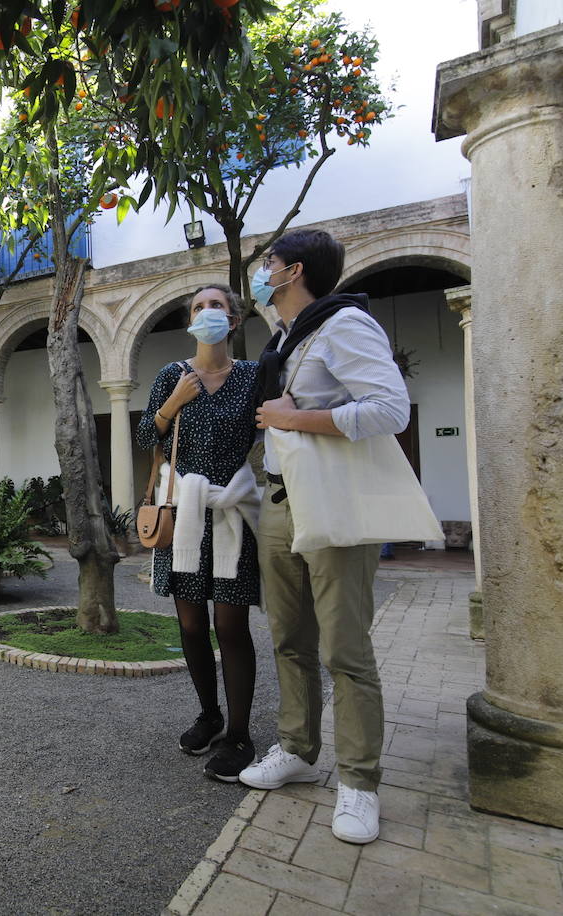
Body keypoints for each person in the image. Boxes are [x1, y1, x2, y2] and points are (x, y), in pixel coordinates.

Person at [238, 228, 410, 845]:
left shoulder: (343, 326)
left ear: (294, 271)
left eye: (269, 264)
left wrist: (294, 417)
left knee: (344, 649)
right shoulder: (284, 339)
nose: (261, 273)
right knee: (289, 638)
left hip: (334, 502)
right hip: (282, 503)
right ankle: (299, 751)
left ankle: (360, 784)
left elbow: (391, 409)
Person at [136, 284, 261, 782]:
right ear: (190, 322)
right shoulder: (173, 374)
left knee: (231, 626)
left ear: (233, 320)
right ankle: (208, 715)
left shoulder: (253, 376)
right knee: (190, 625)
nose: (207, 313)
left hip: (231, 511)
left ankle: (239, 734)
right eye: (198, 308)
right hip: (183, 512)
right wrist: (172, 405)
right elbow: (147, 436)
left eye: (216, 307)